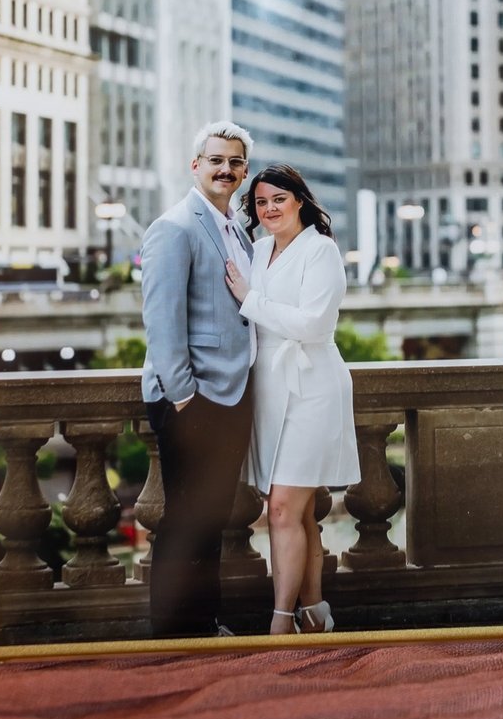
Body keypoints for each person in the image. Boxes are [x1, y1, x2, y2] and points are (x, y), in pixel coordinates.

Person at [224, 164, 361, 635]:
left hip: (312, 389)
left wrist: (249, 299)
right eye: (261, 202)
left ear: (299, 200)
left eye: (278, 199)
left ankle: (280, 620)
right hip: (269, 389)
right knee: (297, 512)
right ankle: (315, 611)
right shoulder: (258, 251)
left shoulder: (321, 251)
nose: (269, 209)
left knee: (281, 508)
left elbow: (314, 325)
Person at [138, 121, 259, 638]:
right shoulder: (175, 227)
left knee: (209, 520)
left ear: (244, 171)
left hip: (230, 396)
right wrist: (186, 398)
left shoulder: (237, 229)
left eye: (235, 162)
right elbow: (161, 324)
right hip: (194, 400)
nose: (225, 169)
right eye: (215, 160)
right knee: (185, 520)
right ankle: (170, 631)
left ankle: (201, 623)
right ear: (196, 165)